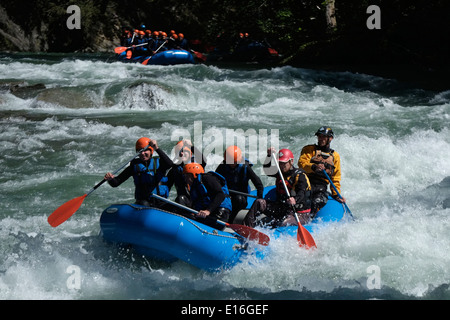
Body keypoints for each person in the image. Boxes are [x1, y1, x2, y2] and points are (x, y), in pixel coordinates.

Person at [244, 148, 312, 228]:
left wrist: (295, 199)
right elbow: (267, 170)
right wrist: (269, 156)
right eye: (280, 163)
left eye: (284, 163)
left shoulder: (300, 176)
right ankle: (247, 227)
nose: (282, 166)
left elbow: (302, 192)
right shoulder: (279, 172)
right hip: (283, 208)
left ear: (291, 161)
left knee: (283, 223)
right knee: (259, 202)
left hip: (299, 213)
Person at [104, 137, 173, 206]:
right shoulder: (134, 166)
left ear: (151, 151)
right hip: (143, 203)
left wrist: (156, 148)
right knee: (144, 203)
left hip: (161, 202)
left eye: (145, 150)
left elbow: (170, 164)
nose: (142, 153)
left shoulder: (160, 163)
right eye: (140, 151)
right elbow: (116, 182)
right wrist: (111, 179)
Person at [298, 126, 345, 214]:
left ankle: (310, 219)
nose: (321, 139)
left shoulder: (335, 156)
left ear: (330, 138)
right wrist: (314, 167)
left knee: (317, 202)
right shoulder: (309, 149)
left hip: (321, 186)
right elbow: (302, 164)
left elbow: (335, 177)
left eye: (324, 136)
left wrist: (336, 194)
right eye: (319, 136)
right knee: (302, 200)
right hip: (306, 182)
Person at [215, 146, 264, 223]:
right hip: (227, 193)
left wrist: (260, 197)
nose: (231, 164)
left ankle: (230, 220)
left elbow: (258, 183)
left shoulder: (245, 167)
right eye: (229, 162)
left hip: (240, 196)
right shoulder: (223, 166)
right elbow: (214, 180)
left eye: (233, 162)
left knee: (238, 199)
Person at [182, 163, 232, 229]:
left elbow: (220, 195)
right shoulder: (193, 187)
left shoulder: (207, 178)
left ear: (194, 174)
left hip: (221, 209)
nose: (185, 179)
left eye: (187, 176)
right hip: (208, 211)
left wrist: (208, 211)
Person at [166, 139, 206, 206]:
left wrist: (191, 146)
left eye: (184, 151)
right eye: (179, 152)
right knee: (179, 199)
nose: (181, 154)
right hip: (185, 201)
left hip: (200, 201)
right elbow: (167, 186)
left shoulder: (198, 164)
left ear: (190, 153)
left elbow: (203, 160)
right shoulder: (175, 169)